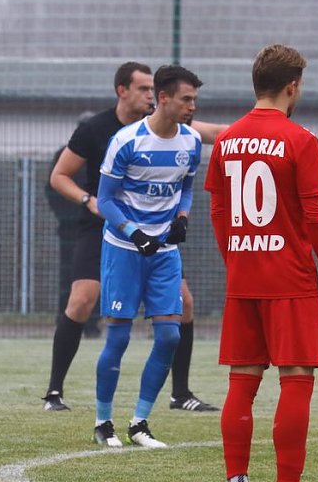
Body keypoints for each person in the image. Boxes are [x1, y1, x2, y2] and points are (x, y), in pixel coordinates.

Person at [43, 61, 225, 412]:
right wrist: (89, 201)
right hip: (104, 227)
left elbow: (216, 133)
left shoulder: (173, 127)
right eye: (142, 89)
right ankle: (54, 391)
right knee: (82, 299)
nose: (149, 96)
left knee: (184, 303)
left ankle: (180, 393)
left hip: (154, 232)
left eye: (151, 89)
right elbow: (59, 176)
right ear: (122, 91)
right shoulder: (97, 130)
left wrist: (265, 128)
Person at [204, 44, 318, 482]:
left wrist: (234, 258)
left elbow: (218, 208)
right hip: (290, 278)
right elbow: (315, 212)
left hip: (243, 276)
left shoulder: (227, 139)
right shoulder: (301, 139)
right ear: (292, 87)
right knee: (296, 378)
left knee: (242, 381)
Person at [92, 65, 204, 448]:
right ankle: (103, 422)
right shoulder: (126, 141)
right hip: (124, 250)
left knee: (170, 336)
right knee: (119, 338)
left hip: (164, 252)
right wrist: (133, 232)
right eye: (186, 99)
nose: (192, 106)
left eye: (195, 99)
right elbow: (105, 200)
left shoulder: (191, 142)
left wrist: (182, 217)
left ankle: (139, 423)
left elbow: (186, 187)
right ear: (164, 98)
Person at [44, 111, 101, 337]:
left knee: (95, 277)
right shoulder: (65, 154)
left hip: (96, 226)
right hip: (71, 228)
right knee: (69, 274)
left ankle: (92, 323)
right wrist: (68, 217)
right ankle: (65, 321)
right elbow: (53, 188)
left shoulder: (102, 155)